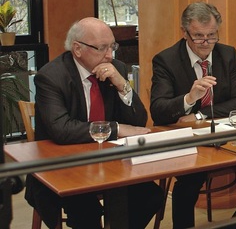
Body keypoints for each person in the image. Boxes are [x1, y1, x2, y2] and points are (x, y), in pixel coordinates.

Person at [24, 17, 163, 229]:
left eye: (112, 46)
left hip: (108, 160)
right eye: (102, 48)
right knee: (86, 211)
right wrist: (116, 129)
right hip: (62, 165)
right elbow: (61, 130)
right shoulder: (51, 76)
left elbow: (138, 121)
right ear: (77, 49)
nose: (110, 55)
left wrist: (121, 84)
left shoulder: (114, 68)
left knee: (151, 196)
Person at [150, 1, 236, 228]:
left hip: (220, 134)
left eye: (212, 35)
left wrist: (198, 115)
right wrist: (189, 98)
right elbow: (158, 110)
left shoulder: (227, 54)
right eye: (198, 36)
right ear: (184, 33)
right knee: (191, 176)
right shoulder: (166, 60)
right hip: (185, 140)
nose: (206, 43)